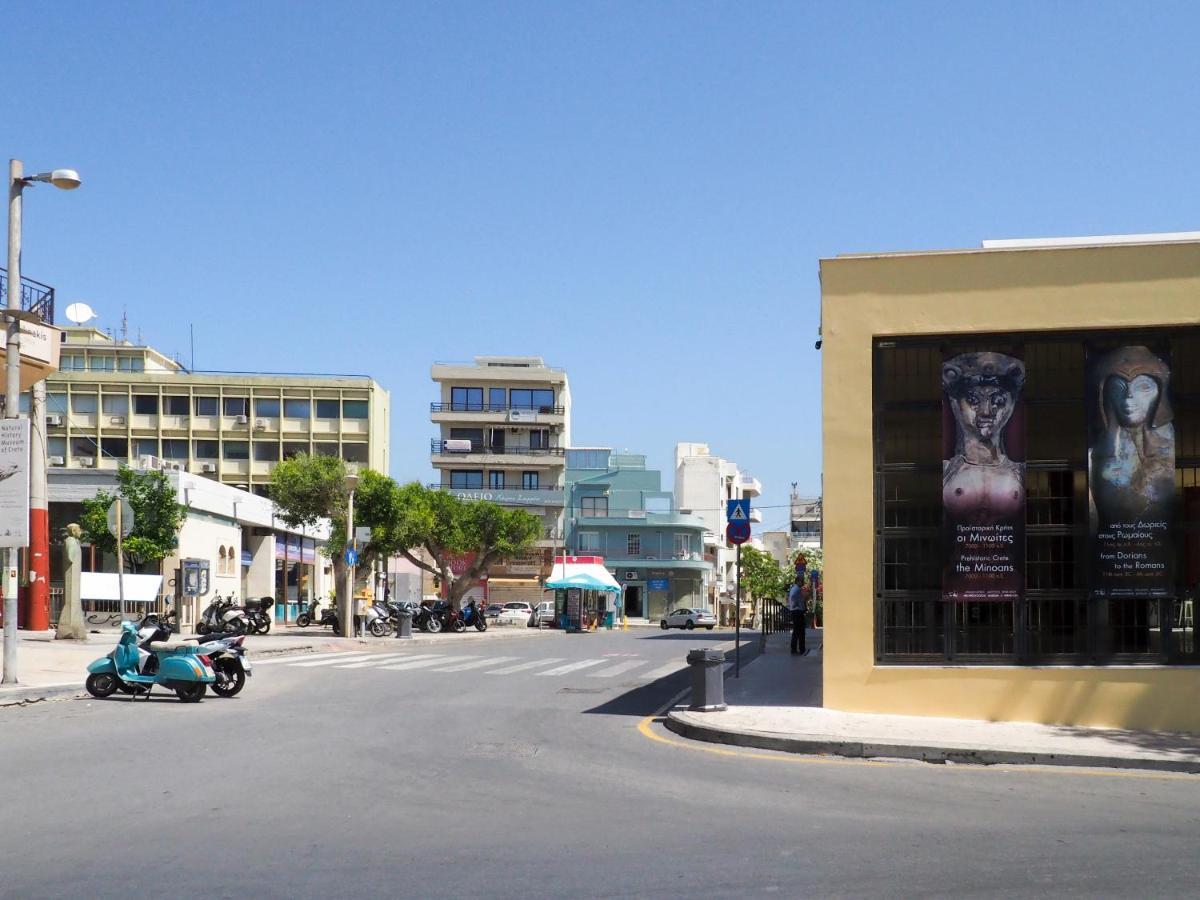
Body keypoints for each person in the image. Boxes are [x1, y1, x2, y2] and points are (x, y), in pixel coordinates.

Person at [787, 576, 807, 656]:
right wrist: (804, 610)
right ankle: (802, 650)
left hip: (794, 611)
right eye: (802, 581)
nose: (802, 583)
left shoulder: (793, 589)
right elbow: (801, 601)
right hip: (798, 612)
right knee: (801, 632)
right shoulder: (798, 590)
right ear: (798, 581)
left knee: (796, 631)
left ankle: (794, 649)